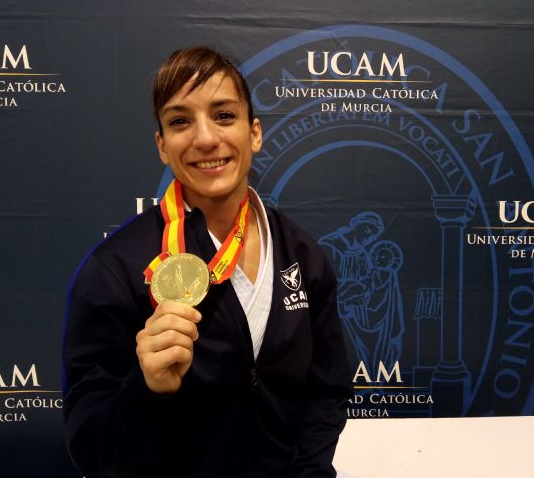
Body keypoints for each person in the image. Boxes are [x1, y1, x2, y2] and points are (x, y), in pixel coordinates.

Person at [63, 46, 351, 478]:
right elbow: (91, 449)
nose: (205, 138)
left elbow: (325, 392)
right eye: (180, 121)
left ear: (254, 133)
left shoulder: (302, 255)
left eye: (224, 115)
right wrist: (148, 391)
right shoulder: (115, 270)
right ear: (162, 146)